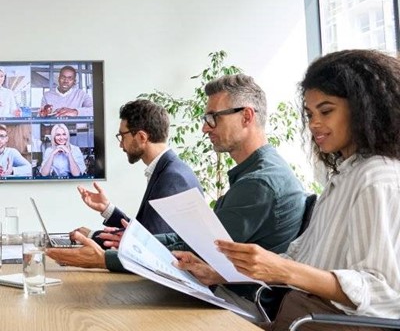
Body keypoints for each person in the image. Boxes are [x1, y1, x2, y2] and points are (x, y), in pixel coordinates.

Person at [47, 75, 306, 319]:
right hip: (228, 292)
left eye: (213, 118)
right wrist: (125, 242)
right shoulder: (255, 174)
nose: (205, 127)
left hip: (240, 304)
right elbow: (194, 240)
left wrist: (106, 259)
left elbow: (201, 250)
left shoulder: (259, 183)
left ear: (247, 116)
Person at [178, 49, 400, 330]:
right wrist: (219, 273)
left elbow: (381, 291)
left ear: (364, 108)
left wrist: (284, 270)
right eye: (309, 114)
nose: (314, 124)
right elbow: (296, 259)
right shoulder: (344, 175)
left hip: (323, 323)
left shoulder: (377, 178)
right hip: (298, 315)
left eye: (326, 111)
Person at [52, 99, 203, 242]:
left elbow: (150, 245)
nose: (120, 145)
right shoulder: (167, 169)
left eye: (122, 136)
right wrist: (107, 208)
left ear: (142, 137)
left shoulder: (172, 178)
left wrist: (92, 236)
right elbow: (146, 232)